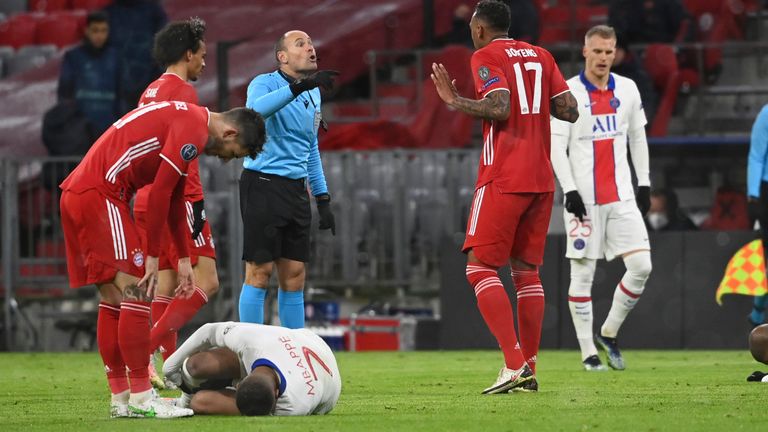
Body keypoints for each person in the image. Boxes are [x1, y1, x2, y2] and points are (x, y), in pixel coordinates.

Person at [59, 103, 266, 418]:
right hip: (101, 195)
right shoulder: (193, 131)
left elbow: (173, 196)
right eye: (233, 152)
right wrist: (153, 257)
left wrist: (183, 255)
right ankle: (143, 398)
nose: (226, 159)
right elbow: (157, 195)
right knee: (137, 293)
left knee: (115, 299)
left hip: (83, 192)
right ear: (230, 132)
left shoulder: (189, 120)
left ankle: (122, 399)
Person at [431, 0, 578, 394]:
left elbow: (500, 107)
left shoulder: (485, 55)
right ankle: (529, 369)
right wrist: (536, 100)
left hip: (504, 176)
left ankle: (514, 365)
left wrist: (454, 101)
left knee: (479, 268)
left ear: (479, 28)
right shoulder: (541, 56)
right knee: (526, 273)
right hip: (541, 179)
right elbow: (569, 110)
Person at [550, 25, 653, 372]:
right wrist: (570, 191)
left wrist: (645, 184)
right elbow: (556, 147)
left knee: (642, 266)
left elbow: (638, 138)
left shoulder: (628, 89)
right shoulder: (566, 91)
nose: (603, 58)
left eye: (609, 52)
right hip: (585, 201)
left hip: (621, 197)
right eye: (597, 51)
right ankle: (588, 354)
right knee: (582, 275)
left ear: (615, 53)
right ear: (585, 51)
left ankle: (608, 333)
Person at [131, 17, 213, 388]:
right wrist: (192, 199)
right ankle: (145, 352)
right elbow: (179, 157)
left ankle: (165, 367)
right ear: (187, 53)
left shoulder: (149, 91)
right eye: (202, 55)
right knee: (206, 283)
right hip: (179, 196)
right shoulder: (184, 93)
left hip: (147, 196)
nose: (204, 63)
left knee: (168, 286)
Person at [238, 30, 338, 328]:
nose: (311, 47)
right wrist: (299, 86)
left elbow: (310, 147)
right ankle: (250, 351)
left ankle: (294, 357)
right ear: (282, 57)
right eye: (301, 44)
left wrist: (322, 198)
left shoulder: (314, 92)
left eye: (311, 42)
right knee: (259, 272)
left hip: (296, 191)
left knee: (294, 275)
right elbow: (254, 113)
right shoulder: (263, 83)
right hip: (263, 184)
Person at [162, 322, 341, 416]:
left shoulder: (292, 405)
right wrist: (170, 366)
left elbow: (201, 401)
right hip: (306, 339)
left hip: (329, 386)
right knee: (195, 366)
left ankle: (183, 400)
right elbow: (208, 331)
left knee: (200, 401)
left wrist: (185, 402)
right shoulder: (251, 342)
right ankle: (190, 391)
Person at [57, 10, 122, 138]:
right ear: (87, 31)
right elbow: (64, 93)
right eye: (95, 30)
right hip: (79, 130)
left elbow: (121, 95)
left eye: (104, 31)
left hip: (109, 129)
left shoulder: (116, 58)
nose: (100, 35)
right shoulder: (73, 57)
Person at [105, 0, 167, 107]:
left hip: (148, 81)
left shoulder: (154, 11)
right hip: (117, 87)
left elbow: (165, 45)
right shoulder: (109, 13)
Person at [747, 104, 768, 328]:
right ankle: (758, 309)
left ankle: (757, 311)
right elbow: (756, 156)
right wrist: (753, 196)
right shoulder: (766, 114)